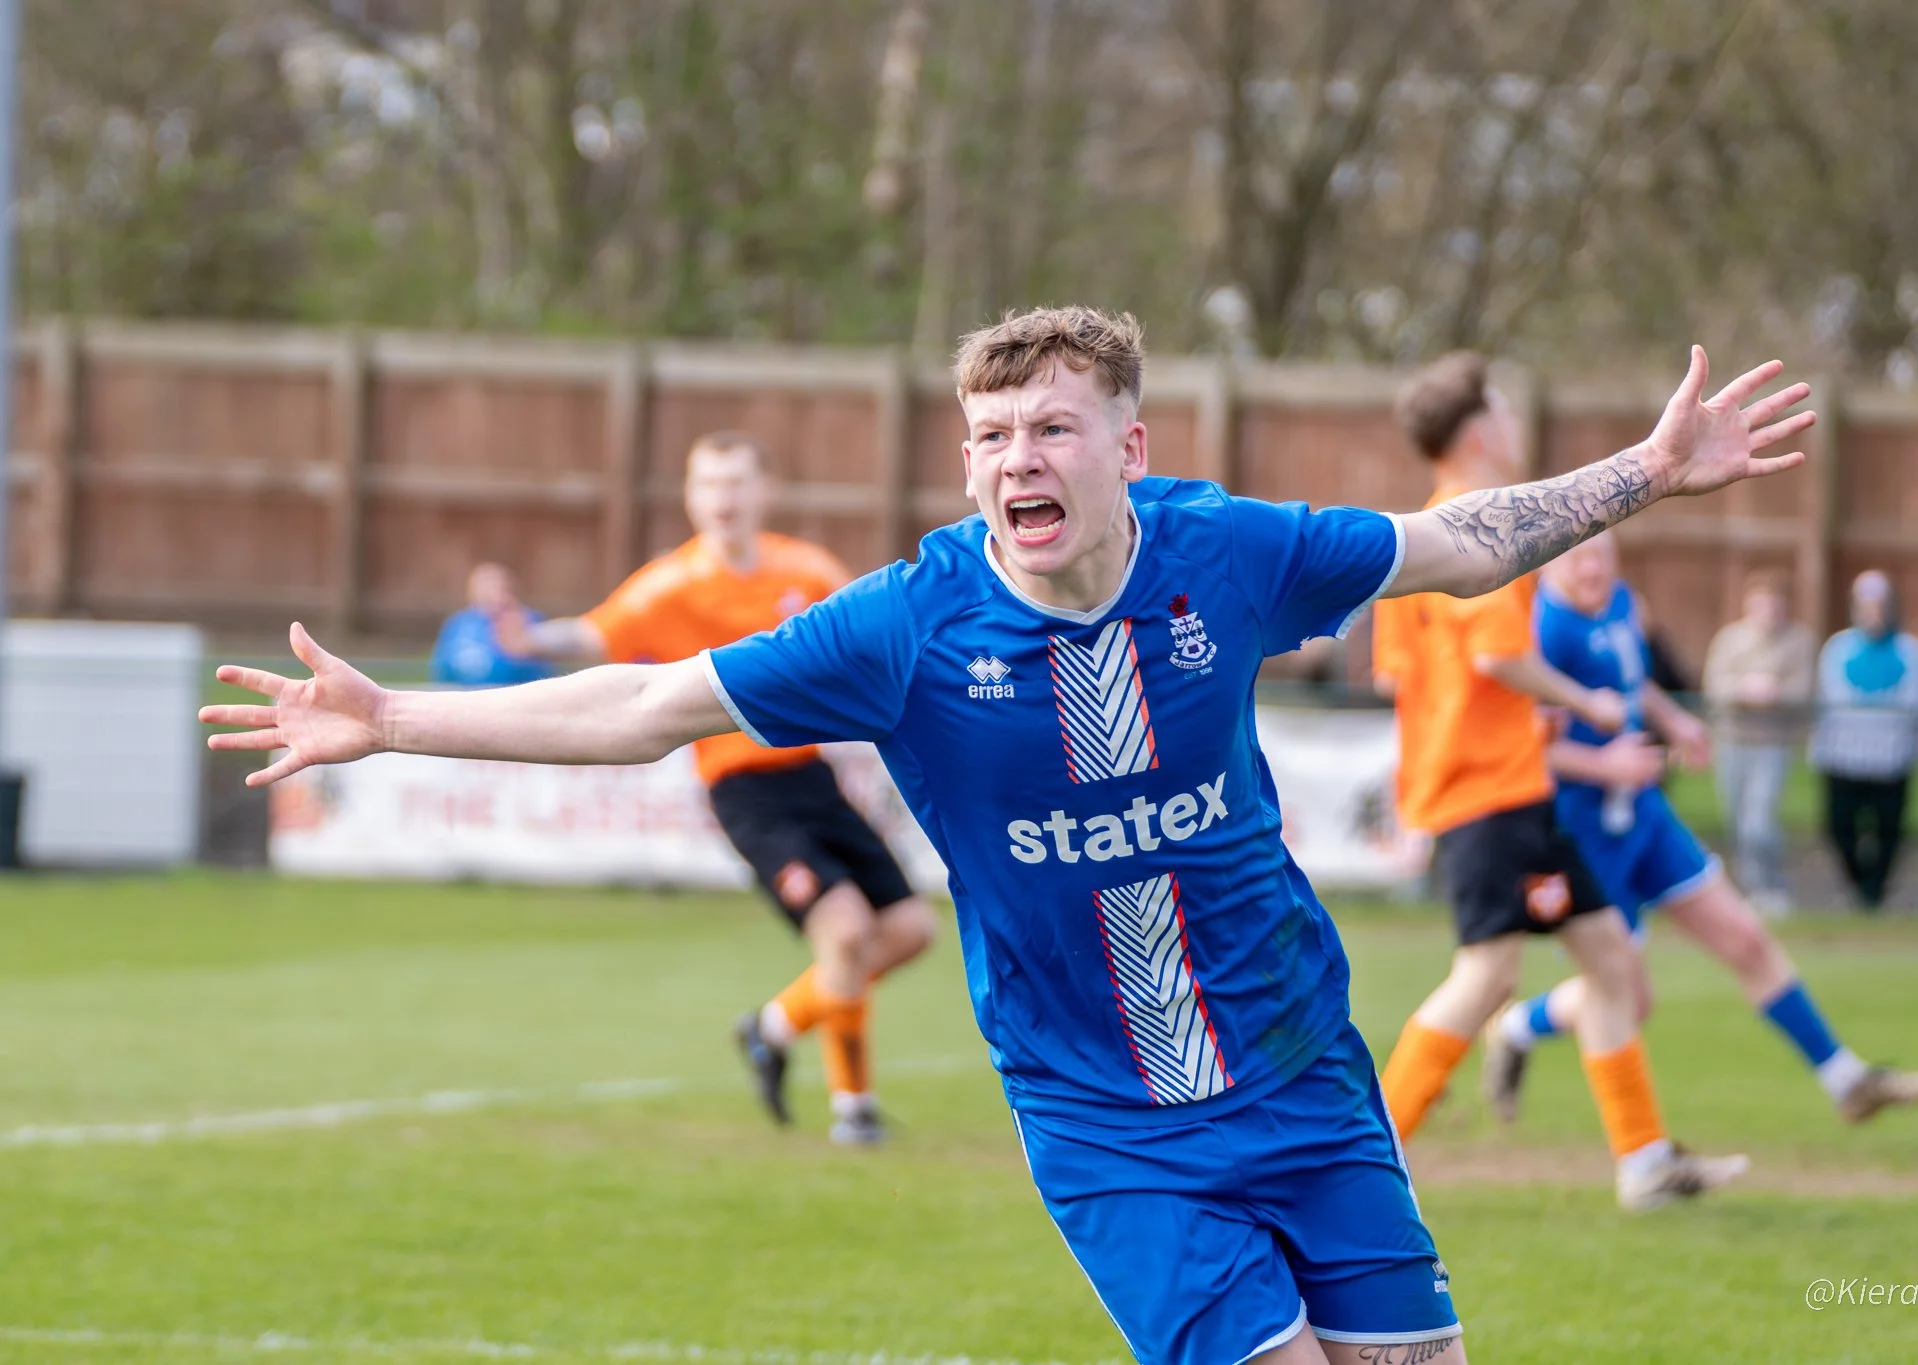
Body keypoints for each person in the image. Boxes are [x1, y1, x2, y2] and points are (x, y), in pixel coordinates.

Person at [204, 307, 1815, 1365]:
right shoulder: (908, 623)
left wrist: (1647, 473)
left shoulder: (1225, 552)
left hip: (1304, 1074)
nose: (1014, 461)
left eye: (1050, 428)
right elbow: (647, 703)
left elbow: (1455, 544)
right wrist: (394, 716)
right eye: (988, 436)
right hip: (1108, 1121)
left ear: (1131, 446)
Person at [1370, 352, 1748, 1216]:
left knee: (1610, 959)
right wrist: (1587, 702)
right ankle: (1371, 1152)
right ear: (1477, 431)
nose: (1515, 424)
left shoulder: (1414, 532)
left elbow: (1400, 674)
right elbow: (1495, 654)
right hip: (1488, 791)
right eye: (1504, 410)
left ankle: (1644, 1160)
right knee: (1488, 973)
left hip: (1503, 785)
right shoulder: (1476, 526)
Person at [492, 431, 938, 1147]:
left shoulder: (805, 569)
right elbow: (597, 634)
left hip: (810, 776)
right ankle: (854, 1110)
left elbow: (874, 628)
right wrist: (531, 639)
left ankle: (772, 1027)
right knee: (848, 932)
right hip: (743, 790)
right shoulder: (671, 585)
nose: (722, 497)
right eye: (707, 483)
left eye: (735, 481)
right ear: (690, 497)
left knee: (911, 929)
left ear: (765, 491)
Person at [1481, 535, 1918, 1128]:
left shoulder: (1621, 603)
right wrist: (1602, 765)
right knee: (1630, 1001)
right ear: (1552, 563)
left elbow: (1631, 683)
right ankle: (1517, 1028)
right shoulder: (1543, 629)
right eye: (1579, 558)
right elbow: (1521, 746)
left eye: (1603, 556)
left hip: (1644, 813)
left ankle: (1847, 1081)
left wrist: (1675, 721)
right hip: (1583, 832)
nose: (1593, 568)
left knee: (1746, 939)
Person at [1811, 571, 1918, 910]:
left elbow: (1913, 702)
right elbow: (1833, 699)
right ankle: (1858, 884)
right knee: (1839, 825)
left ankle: (1875, 891)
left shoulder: (1909, 651)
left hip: (1892, 758)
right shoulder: (1838, 648)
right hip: (1843, 756)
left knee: (1888, 828)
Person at [1701, 568, 1815, 915]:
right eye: (1761, 605)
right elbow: (1714, 686)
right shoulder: (1730, 639)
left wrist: (1774, 692)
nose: (1767, 613)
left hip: (1773, 743)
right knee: (1737, 820)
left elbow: (1803, 690)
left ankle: (1770, 888)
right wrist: (1744, 689)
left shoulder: (1799, 641)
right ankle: (1749, 891)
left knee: (1759, 821)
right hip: (1732, 741)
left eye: (1774, 605)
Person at [428, 563, 556, 688]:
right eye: (485, 584)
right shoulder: (459, 624)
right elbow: (442, 668)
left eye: (498, 584)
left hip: (515, 695)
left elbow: (544, 671)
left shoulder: (528, 620)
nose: (492, 590)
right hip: (466, 695)